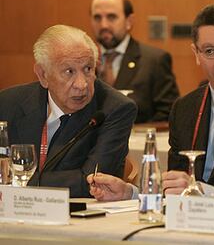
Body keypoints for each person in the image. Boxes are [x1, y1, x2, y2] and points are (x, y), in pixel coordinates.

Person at [87, 3, 214, 201]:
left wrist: (210, 193)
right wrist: (130, 193)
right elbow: (175, 187)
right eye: (210, 51)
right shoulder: (185, 109)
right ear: (196, 53)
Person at [0, 25, 137, 197]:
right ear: (43, 75)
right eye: (69, 71)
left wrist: (15, 181)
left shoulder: (115, 109)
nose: (82, 85)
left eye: (88, 69)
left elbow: (90, 183)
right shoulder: (7, 103)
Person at [90, 0, 179, 123]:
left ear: (129, 21)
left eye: (111, 17)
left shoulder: (155, 60)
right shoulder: (84, 61)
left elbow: (169, 114)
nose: (104, 25)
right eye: (97, 17)